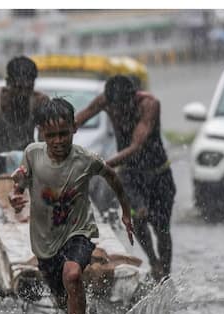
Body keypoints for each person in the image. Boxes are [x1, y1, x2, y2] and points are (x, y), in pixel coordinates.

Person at [9, 98, 134, 314]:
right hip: (45, 244)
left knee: (73, 274)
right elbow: (20, 178)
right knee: (64, 301)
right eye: (51, 135)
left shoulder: (85, 160)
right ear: (41, 133)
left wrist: (126, 212)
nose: (57, 141)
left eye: (63, 134)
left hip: (80, 233)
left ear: (74, 129)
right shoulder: (33, 154)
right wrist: (15, 194)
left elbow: (112, 177)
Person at [75, 75, 176, 281]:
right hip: (130, 175)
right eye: (115, 109)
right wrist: (56, 133)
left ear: (133, 98)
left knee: (161, 228)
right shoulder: (106, 100)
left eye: (122, 107)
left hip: (158, 174)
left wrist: (102, 166)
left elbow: (136, 146)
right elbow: (81, 117)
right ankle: (153, 262)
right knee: (137, 218)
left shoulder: (149, 105)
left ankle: (165, 274)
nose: (119, 113)